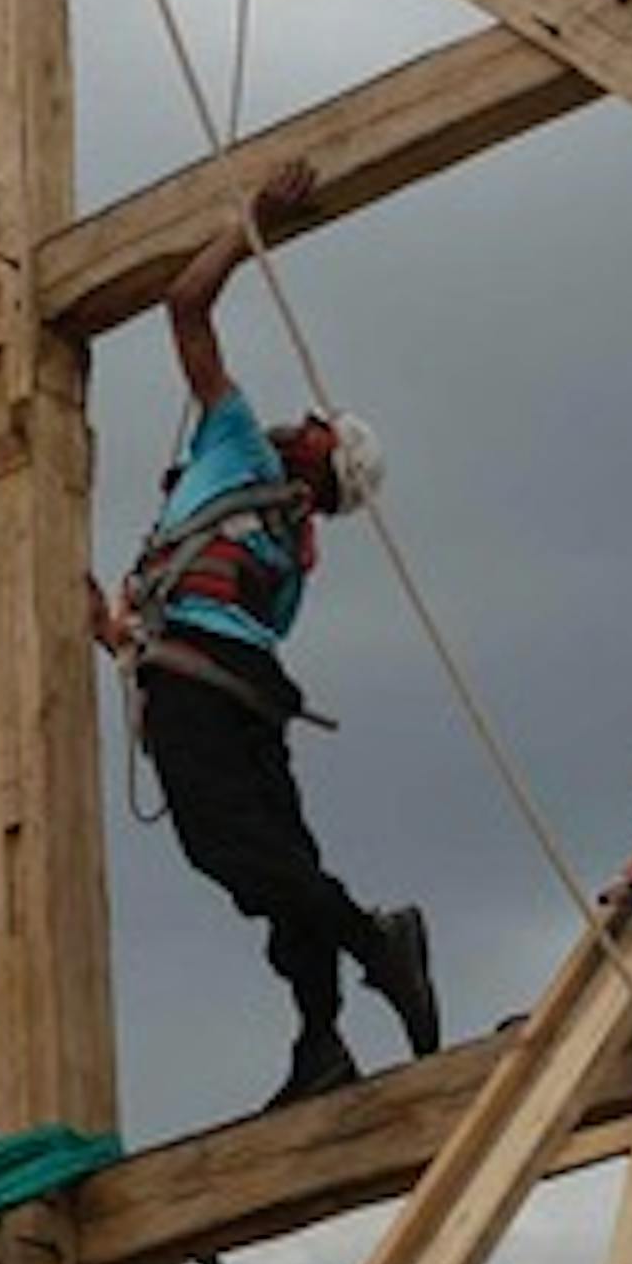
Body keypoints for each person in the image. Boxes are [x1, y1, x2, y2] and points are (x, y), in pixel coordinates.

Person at [96, 158, 443, 1108]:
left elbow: (185, 307)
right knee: (282, 862)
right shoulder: (292, 556)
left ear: (322, 461)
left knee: (235, 855)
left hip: (201, 691)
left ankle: (378, 944)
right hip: (233, 691)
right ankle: (321, 1038)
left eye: (320, 429)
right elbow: (196, 628)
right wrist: (111, 636)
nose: (305, 421)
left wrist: (252, 219)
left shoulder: (242, 445)